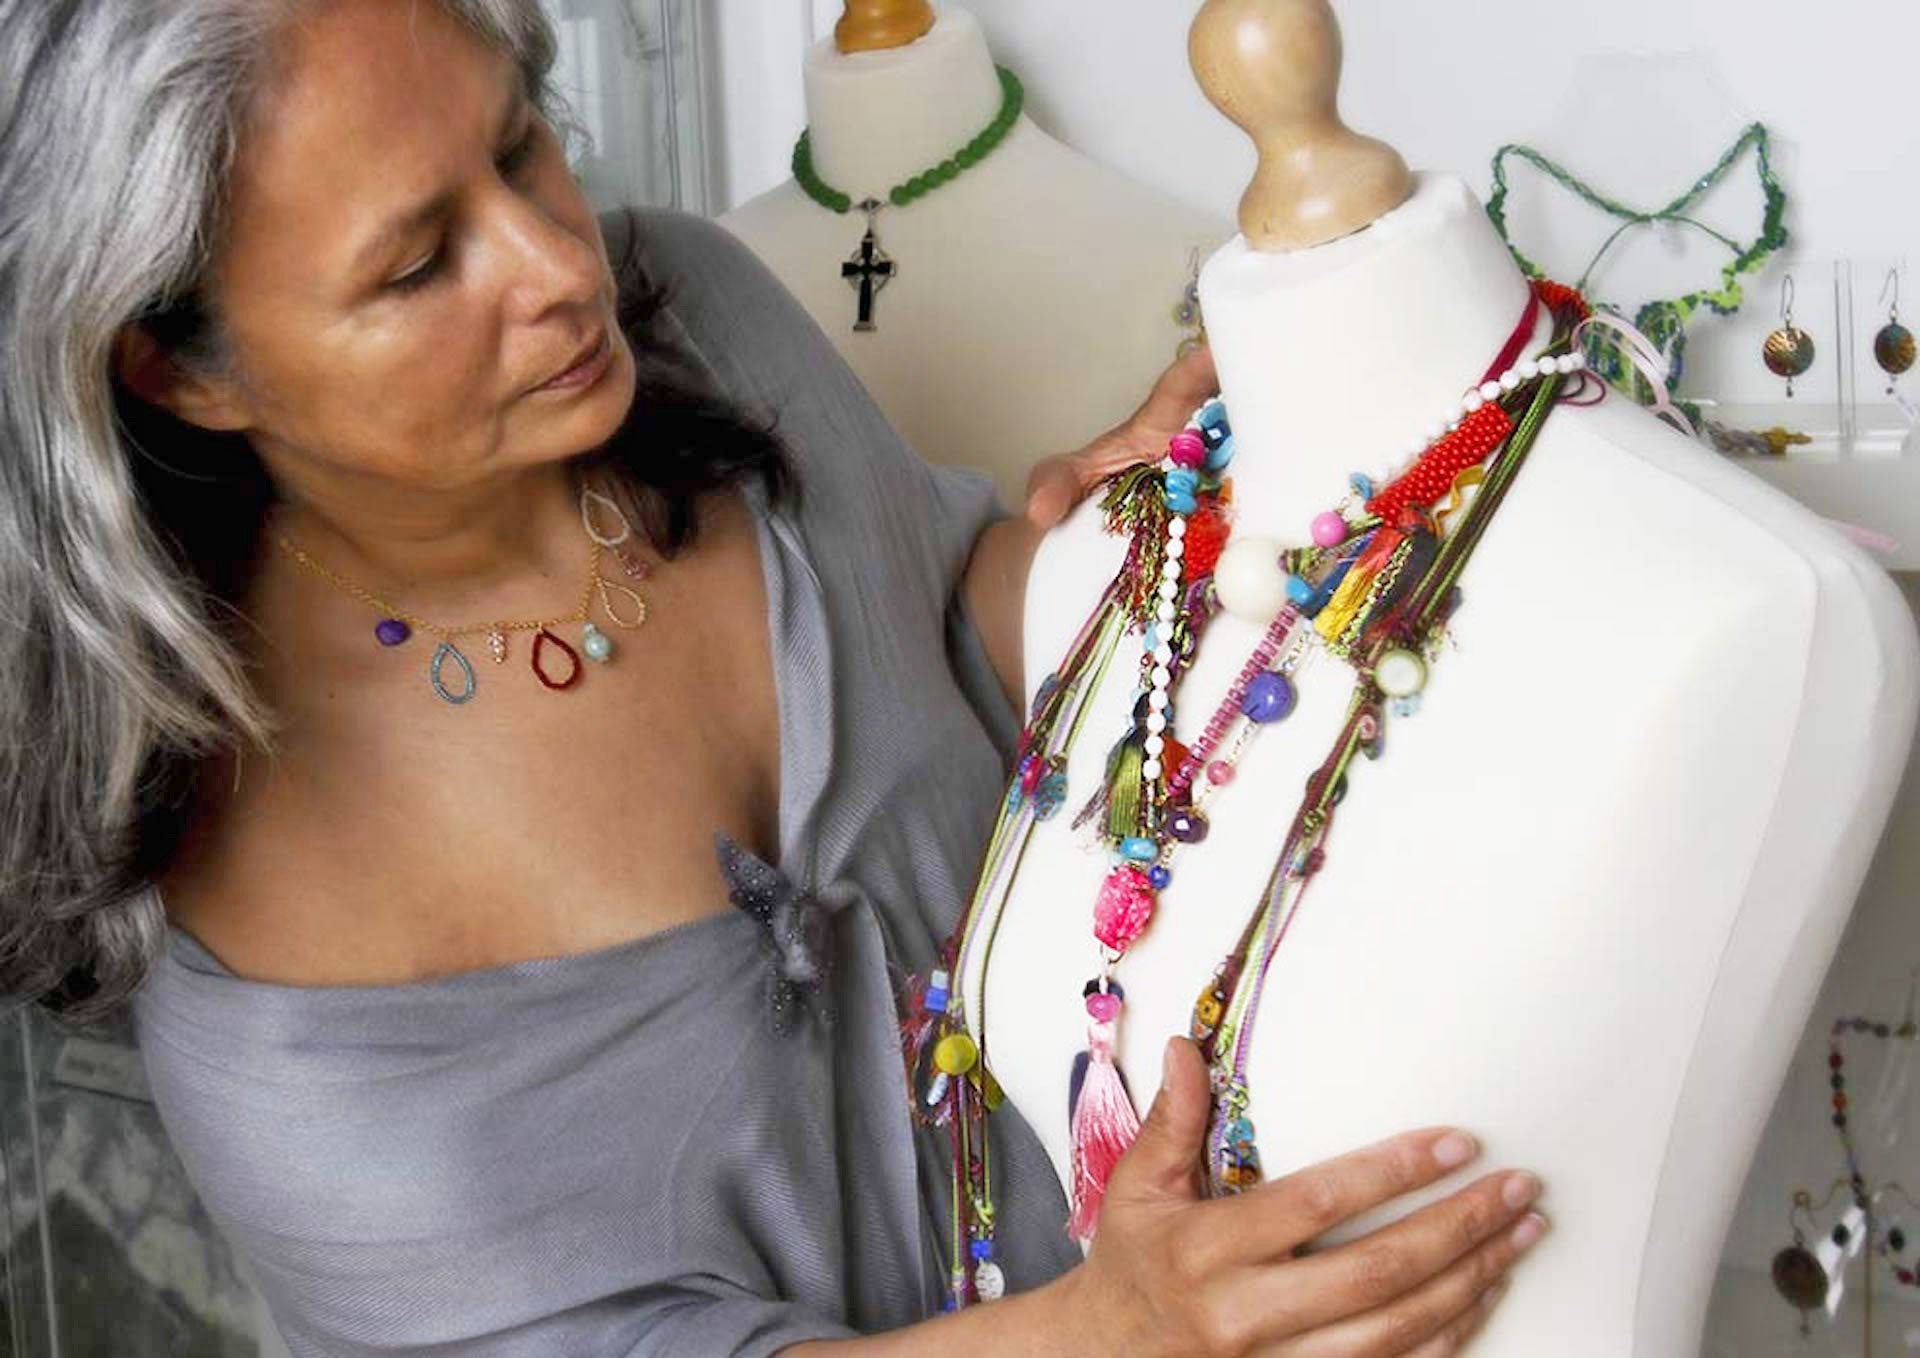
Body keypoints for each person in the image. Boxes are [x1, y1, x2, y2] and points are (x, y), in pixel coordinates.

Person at [0, 1, 1548, 1353]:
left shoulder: (695, 315)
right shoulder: (265, 953)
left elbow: (942, 629)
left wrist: (1140, 524)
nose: (558, 264)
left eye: (521, 144)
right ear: (180, 367)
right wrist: (1108, 1332)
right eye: (417, 265)